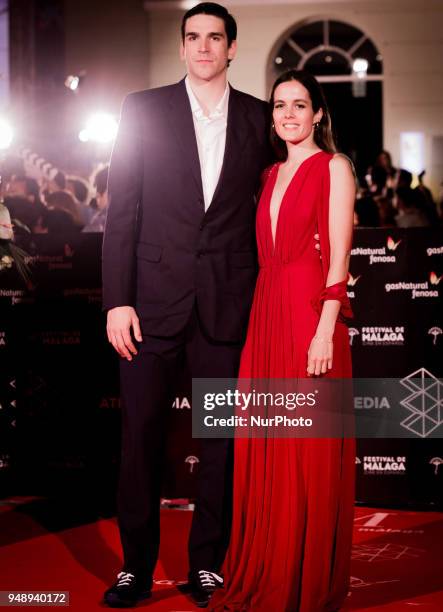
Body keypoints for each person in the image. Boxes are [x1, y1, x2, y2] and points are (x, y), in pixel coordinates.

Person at [101, 3, 271, 608]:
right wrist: (117, 301)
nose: (203, 47)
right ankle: (135, 568)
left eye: (215, 38)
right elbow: (121, 212)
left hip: (227, 305)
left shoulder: (258, 117)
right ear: (181, 48)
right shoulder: (141, 109)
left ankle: (207, 564)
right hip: (148, 306)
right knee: (140, 437)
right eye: (193, 37)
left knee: (220, 441)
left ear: (231, 49)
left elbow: (276, 199)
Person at [211, 70, 356, 611]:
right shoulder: (269, 174)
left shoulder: (334, 168)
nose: (288, 114)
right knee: (269, 446)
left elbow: (339, 256)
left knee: (306, 453)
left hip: (308, 315)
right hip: (266, 313)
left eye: (300, 105)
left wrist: (324, 329)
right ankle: (269, 564)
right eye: (279, 106)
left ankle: (304, 581)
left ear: (318, 113)